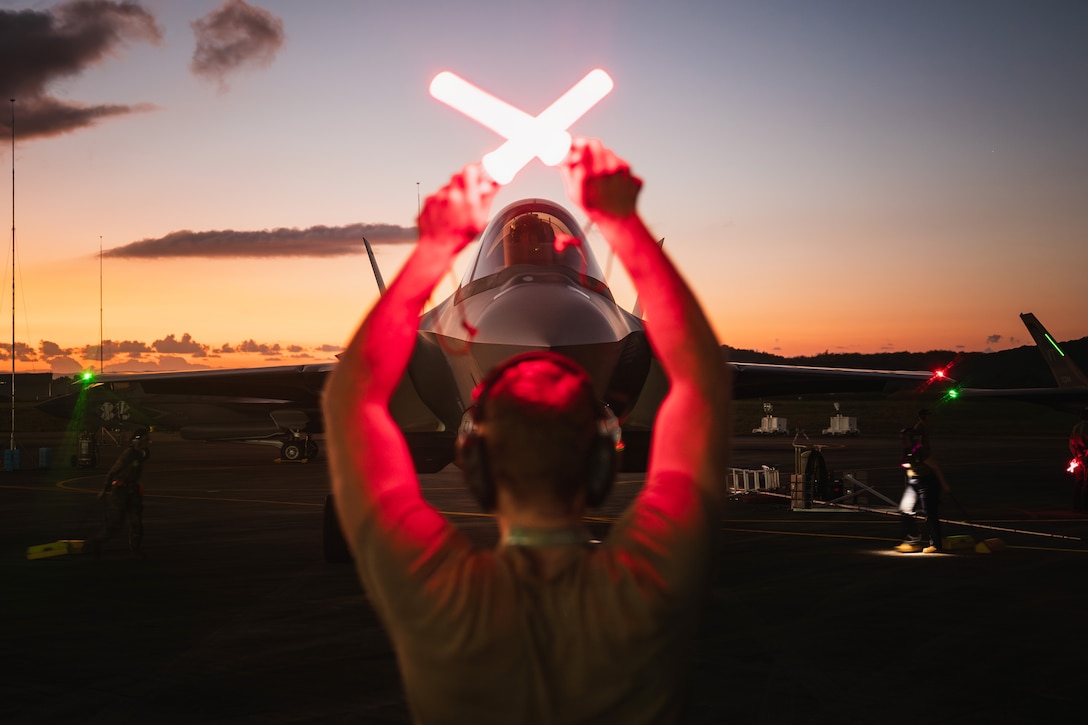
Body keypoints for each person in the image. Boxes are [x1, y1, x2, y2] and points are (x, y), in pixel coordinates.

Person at [323, 138, 729, 723]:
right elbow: (704, 386)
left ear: (480, 466)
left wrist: (434, 247)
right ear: (599, 461)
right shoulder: (644, 592)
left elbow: (350, 401)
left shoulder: (435, 599)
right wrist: (627, 224)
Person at [90, 431, 150, 555]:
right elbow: (113, 471)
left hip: (133, 491)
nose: (146, 443)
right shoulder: (128, 454)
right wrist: (104, 489)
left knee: (136, 523)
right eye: (143, 441)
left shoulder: (140, 454)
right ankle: (95, 543)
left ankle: (136, 549)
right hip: (120, 492)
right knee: (115, 524)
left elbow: (145, 454)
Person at [895, 426, 951, 553]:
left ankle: (936, 544)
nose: (902, 441)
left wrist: (944, 485)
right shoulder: (907, 450)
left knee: (930, 513)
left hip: (928, 482)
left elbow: (935, 467)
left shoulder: (921, 451)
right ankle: (913, 540)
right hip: (914, 481)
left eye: (905, 438)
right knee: (905, 509)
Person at [1069, 408, 1088, 511]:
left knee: (1078, 482)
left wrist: (1076, 456)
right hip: (1086, 458)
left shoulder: (1076, 427)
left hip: (1078, 457)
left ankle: (1076, 506)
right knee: (1087, 483)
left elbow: (1071, 443)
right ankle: (1085, 506)